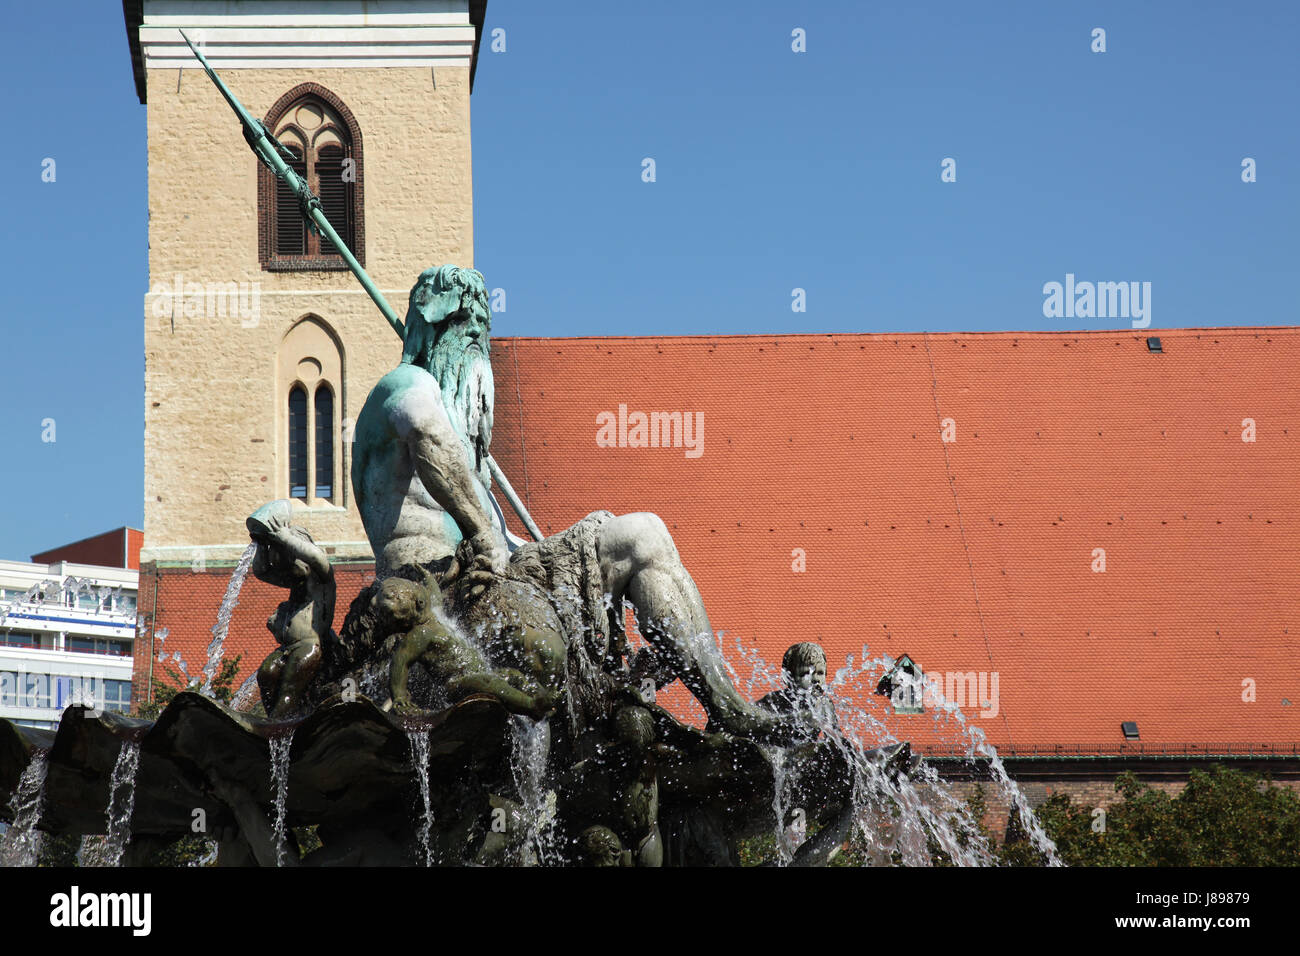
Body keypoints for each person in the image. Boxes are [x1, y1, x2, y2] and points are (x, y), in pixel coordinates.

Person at [351, 265, 794, 740]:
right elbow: (418, 421)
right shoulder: (405, 386)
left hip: (498, 572)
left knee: (643, 534)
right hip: (430, 585)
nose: (478, 341)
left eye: (483, 329)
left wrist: (507, 540)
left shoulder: (464, 449)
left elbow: (502, 543)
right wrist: (483, 531)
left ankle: (720, 702)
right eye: (466, 328)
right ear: (433, 326)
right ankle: (694, 707)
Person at [248, 501, 333, 718]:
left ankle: (275, 727)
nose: (285, 568)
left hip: (310, 646)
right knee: (267, 674)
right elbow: (262, 572)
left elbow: (316, 557)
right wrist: (262, 545)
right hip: (289, 646)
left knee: (289, 691)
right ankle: (277, 721)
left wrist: (283, 536)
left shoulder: (321, 578)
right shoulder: (297, 581)